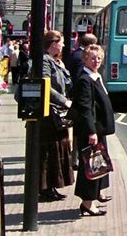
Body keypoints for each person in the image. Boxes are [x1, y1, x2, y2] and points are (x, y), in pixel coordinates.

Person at [72, 45, 115, 216]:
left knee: (99, 165)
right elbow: (85, 108)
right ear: (84, 59)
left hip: (99, 130)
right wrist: (91, 132)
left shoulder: (95, 76)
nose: (96, 61)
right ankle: (87, 204)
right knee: (90, 167)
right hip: (91, 132)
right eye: (92, 58)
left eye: (98, 58)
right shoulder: (85, 80)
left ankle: (95, 196)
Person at [40, 31, 74, 202]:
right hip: (49, 115)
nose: (63, 45)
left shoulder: (54, 61)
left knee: (57, 151)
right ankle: (45, 189)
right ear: (53, 43)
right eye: (61, 42)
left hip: (57, 114)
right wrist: (64, 101)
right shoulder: (44, 60)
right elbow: (44, 84)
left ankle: (51, 187)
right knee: (49, 152)